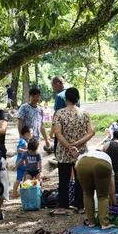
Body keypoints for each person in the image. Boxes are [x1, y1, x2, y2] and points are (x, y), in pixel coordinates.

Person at [52, 87, 94, 215]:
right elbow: (91, 132)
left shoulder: (59, 113)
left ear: (66, 99)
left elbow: (57, 133)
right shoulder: (85, 114)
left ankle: (63, 206)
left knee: (63, 178)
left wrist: (69, 146)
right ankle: (80, 206)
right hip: (80, 151)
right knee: (80, 178)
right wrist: (78, 143)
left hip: (64, 151)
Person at [76, 150, 116, 230]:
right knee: (103, 196)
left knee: (87, 193)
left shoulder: (86, 154)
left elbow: (76, 166)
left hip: (82, 164)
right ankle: (104, 223)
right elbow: (112, 189)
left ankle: (91, 222)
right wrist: (114, 204)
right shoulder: (107, 159)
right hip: (102, 165)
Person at [11, 126, 32, 198]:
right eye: (31, 133)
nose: (32, 134)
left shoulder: (24, 141)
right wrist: (28, 151)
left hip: (19, 163)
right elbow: (18, 149)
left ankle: (14, 193)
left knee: (19, 178)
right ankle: (25, 190)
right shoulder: (23, 141)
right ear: (26, 134)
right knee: (27, 174)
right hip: (22, 162)